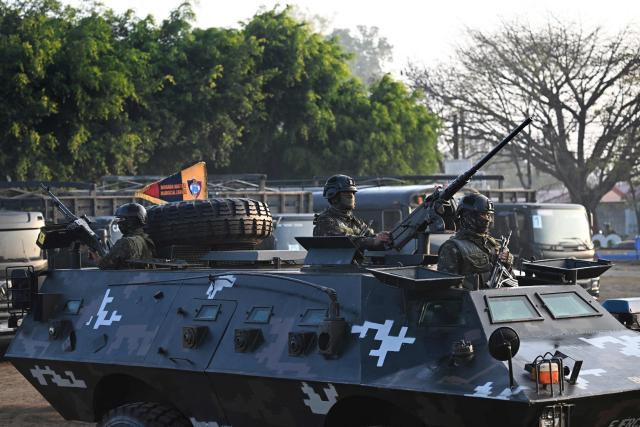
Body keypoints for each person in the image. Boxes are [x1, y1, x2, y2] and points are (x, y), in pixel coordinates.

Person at [437, 193, 513, 290]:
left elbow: (509, 282)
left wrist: (507, 264)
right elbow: (447, 289)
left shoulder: (494, 245)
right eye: (483, 214)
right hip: (471, 303)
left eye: (489, 215)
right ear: (467, 215)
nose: (487, 219)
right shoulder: (452, 248)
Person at [313, 174, 391, 250]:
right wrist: (373, 241)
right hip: (334, 262)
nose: (351, 196)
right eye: (346, 193)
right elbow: (342, 241)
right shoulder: (325, 220)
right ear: (334, 197)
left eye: (352, 193)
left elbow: (370, 235)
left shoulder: (353, 220)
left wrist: (382, 237)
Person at [91, 203, 156, 269]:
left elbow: (103, 265)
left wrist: (94, 253)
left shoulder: (125, 242)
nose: (119, 223)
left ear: (130, 221)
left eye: (121, 219)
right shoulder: (147, 239)